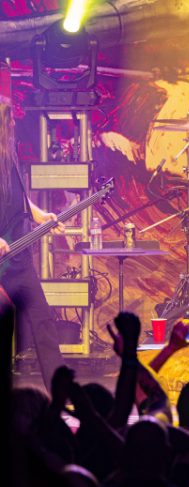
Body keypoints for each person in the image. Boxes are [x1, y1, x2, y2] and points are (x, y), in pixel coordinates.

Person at [0, 87, 65, 393]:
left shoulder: (9, 158)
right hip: (2, 262)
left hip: (19, 260)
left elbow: (20, 201)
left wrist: (41, 216)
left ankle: (59, 391)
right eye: (9, 120)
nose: (14, 125)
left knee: (43, 322)